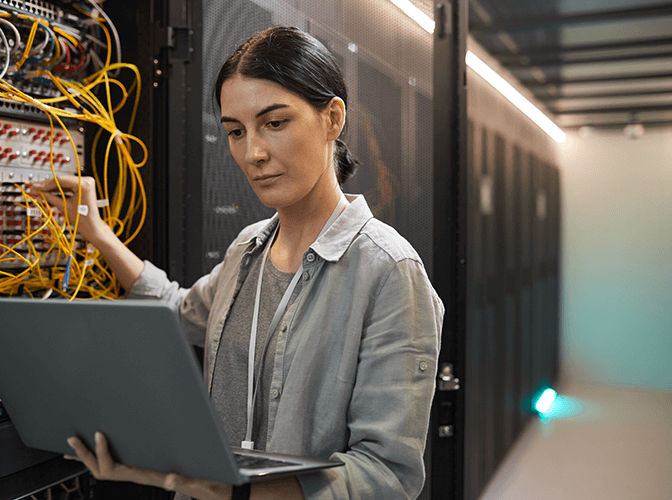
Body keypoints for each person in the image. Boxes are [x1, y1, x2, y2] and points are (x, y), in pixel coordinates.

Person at [32, 26, 443, 500]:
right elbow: (179, 311)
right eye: (235, 132)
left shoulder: (389, 272)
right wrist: (99, 236)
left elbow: (386, 476)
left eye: (275, 123)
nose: (254, 153)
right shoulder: (249, 249)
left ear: (333, 119)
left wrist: (233, 493)